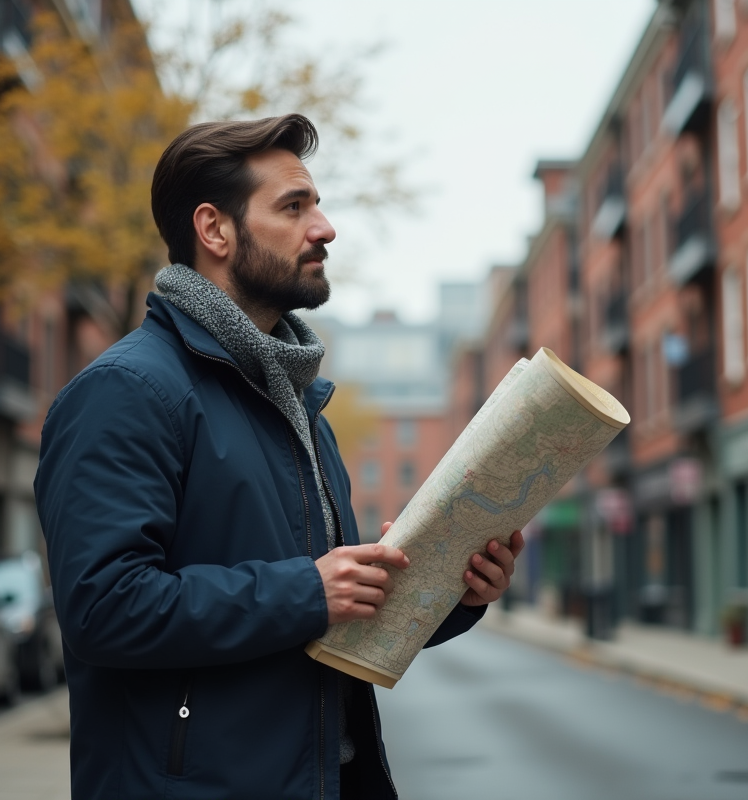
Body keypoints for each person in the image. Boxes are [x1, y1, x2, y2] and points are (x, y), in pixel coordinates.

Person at [34, 113, 525, 800]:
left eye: (317, 205)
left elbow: (334, 616)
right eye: (294, 207)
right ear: (215, 230)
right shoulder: (127, 391)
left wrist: (454, 591)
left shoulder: (298, 406)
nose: (325, 228)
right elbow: (103, 607)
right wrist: (306, 592)